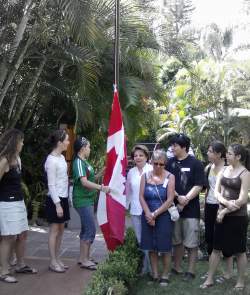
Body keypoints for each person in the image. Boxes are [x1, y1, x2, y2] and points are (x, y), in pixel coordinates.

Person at [201, 144, 250, 291]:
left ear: (238, 157)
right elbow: (216, 193)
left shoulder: (245, 173)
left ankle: (240, 281)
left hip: (238, 217)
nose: (226, 156)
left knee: (239, 251)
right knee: (216, 248)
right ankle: (210, 278)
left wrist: (223, 212)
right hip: (222, 214)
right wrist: (226, 204)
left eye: (229, 154)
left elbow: (242, 199)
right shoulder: (224, 170)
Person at [166, 133, 205, 280]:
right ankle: (176, 267)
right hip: (173, 209)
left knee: (191, 242)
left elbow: (199, 185)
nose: (172, 148)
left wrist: (186, 198)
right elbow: (166, 181)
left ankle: (191, 271)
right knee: (176, 240)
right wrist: (177, 196)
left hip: (191, 210)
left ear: (183, 147)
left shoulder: (196, 163)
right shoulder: (170, 163)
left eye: (175, 145)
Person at [0, 129, 37, 283]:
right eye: (21, 141)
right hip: (7, 204)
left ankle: (20, 264)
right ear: (14, 142)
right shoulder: (4, 160)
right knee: (8, 237)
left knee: (22, 234)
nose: (23, 143)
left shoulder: (17, 158)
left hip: (18, 201)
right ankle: (3, 271)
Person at [72, 137, 110, 270]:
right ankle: (84, 259)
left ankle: (84, 257)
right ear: (82, 148)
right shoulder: (78, 162)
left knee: (85, 229)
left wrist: (102, 171)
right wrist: (101, 188)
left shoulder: (84, 162)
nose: (90, 149)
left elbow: (91, 178)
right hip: (82, 200)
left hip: (87, 199)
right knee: (90, 229)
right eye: (88, 147)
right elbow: (84, 182)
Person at [139, 149, 175, 286]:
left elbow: (170, 199)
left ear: (165, 163)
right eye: (156, 163)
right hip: (147, 215)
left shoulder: (170, 177)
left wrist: (154, 214)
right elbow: (141, 196)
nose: (158, 166)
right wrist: (148, 214)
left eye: (162, 164)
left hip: (163, 216)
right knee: (151, 246)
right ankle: (155, 273)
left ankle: (165, 274)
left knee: (165, 247)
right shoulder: (145, 176)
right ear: (151, 162)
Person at [204, 141, 233, 280]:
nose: (208, 153)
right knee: (210, 239)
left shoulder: (228, 169)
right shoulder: (209, 167)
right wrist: (205, 205)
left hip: (222, 208)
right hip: (210, 206)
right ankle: (211, 271)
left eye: (210, 151)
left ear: (219, 154)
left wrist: (226, 207)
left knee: (225, 240)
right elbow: (208, 189)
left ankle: (228, 273)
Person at [44, 129, 70, 273]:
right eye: (66, 140)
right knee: (54, 231)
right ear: (59, 142)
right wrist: (58, 204)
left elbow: (63, 180)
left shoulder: (61, 158)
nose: (68, 142)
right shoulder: (51, 160)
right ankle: (53, 262)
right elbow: (51, 185)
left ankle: (57, 258)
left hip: (63, 197)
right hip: (55, 200)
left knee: (60, 230)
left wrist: (65, 199)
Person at [126, 145, 152, 274]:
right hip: (135, 210)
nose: (138, 157)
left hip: (151, 211)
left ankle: (152, 268)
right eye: (135, 155)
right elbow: (128, 192)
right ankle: (146, 267)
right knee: (141, 240)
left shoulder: (152, 170)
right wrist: (125, 207)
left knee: (151, 239)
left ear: (146, 157)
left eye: (141, 155)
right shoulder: (131, 172)